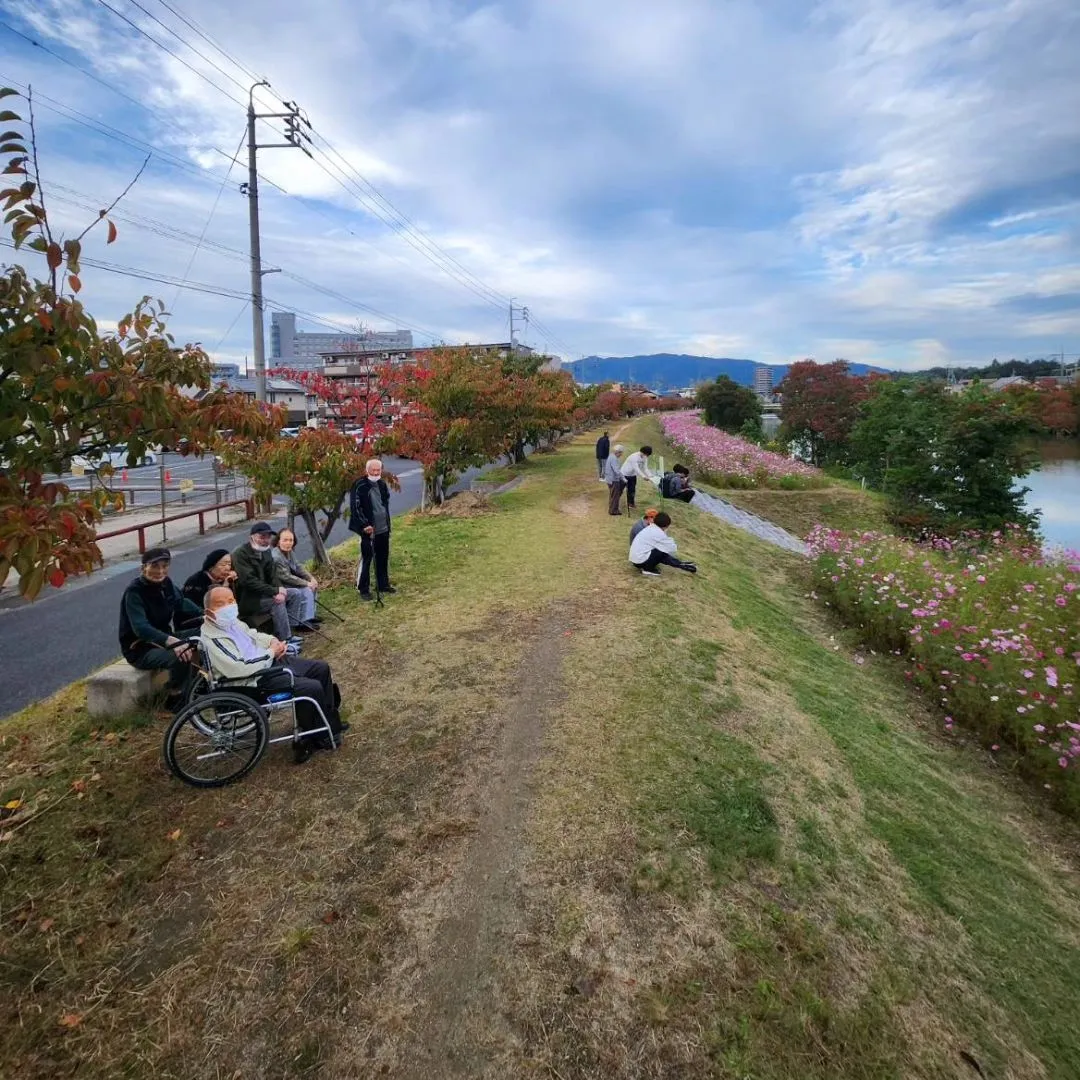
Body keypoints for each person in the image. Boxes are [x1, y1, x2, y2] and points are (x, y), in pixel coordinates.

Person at [200, 586, 344, 763]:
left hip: (266, 662)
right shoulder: (212, 638)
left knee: (320, 668)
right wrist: (270, 653)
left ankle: (329, 723)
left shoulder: (230, 623)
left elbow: (252, 634)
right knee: (309, 687)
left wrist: (272, 641)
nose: (229, 607)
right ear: (209, 611)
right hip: (253, 681)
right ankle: (315, 737)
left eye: (231, 601)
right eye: (222, 604)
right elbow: (239, 668)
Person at [119, 547, 203, 704]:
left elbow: (181, 602)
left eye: (164, 566)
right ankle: (174, 695)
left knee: (203, 634)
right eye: (154, 566)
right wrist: (173, 642)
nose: (160, 571)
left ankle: (196, 684)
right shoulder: (134, 592)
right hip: (140, 648)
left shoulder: (166, 584)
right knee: (180, 656)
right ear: (143, 568)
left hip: (164, 637)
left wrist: (205, 614)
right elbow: (141, 628)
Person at [231, 522, 303, 644]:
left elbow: (272, 575)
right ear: (252, 537)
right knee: (277, 602)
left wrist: (279, 588)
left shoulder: (266, 551)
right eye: (262, 537)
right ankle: (285, 638)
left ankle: (290, 629)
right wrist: (274, 591)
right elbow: (249, 581)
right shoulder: (240, 553)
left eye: (268, 537)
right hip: (249, 599)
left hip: (266, 593)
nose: (265, 540)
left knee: (294, 593)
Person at [349, 458, 395, 600]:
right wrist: (364, 525)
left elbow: (385, 502)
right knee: (367, 558)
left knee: (383, 556)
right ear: (367, 470)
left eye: (378, 470)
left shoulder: (382, 484)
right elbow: (356, 508)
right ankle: (363, 588)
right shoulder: (359, 485)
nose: (376, 472)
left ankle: (383, 584)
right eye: (373, 470)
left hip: (383, 527)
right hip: (367, 530)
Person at [272, 527, 319, 627]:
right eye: (285, 540)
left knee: (313, 586)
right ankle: (303, 621)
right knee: (306, 590)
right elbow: (286, 577)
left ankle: (310, 616)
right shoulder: (276, 557)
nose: (288, 543)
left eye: (291, 540)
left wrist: (311, 578)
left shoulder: (289, 552)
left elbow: (298, 567)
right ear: (278, 541)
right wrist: (306, 583)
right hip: (280, 586)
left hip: (289, 582)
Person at [628, 511, 697, 577]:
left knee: (661, 550)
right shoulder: (658, 533)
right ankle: (647, 569)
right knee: (661, 551)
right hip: (640, 562)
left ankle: (681, 564)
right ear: (665, 526)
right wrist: (665, 534)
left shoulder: (650, 527)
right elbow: (673, 548)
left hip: (636, 559)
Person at [620, 445, 656, 511]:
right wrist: (644, 476)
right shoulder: (634, 457)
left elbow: (645, 468)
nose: (646, 456)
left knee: (632, 490)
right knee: (620, 489)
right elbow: (636, 468)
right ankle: (615, 503)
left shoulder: (645, 458)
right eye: (646, 454)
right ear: (642, 452)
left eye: (648, 455)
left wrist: (650, 476)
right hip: (624, 474)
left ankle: (631, 503)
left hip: (633, 475)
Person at [603, 444, 627, 515]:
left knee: (613, 495)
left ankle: (612, 509)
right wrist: (623, 478)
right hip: (613, 479)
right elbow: (616, 470)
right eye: (621, 453)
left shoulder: (611, 456)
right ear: (618, 452)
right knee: (615, 495)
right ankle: (613, 511)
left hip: (610, 479)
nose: (621, 455)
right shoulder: (614, 458)